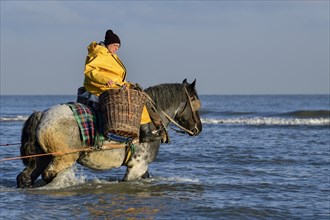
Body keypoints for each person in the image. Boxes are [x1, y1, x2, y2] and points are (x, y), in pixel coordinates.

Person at [82, 29, 163, 142]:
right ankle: (144, 132)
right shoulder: (99, 53)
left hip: (115, 85)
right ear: (108, 43)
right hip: (102, 86)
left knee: (140, 95)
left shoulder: (111, 55)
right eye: (115, 45)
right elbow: (90, 71)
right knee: (135, 101)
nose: (116, 48)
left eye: (118, 46)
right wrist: (105, 80)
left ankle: (149, 128)